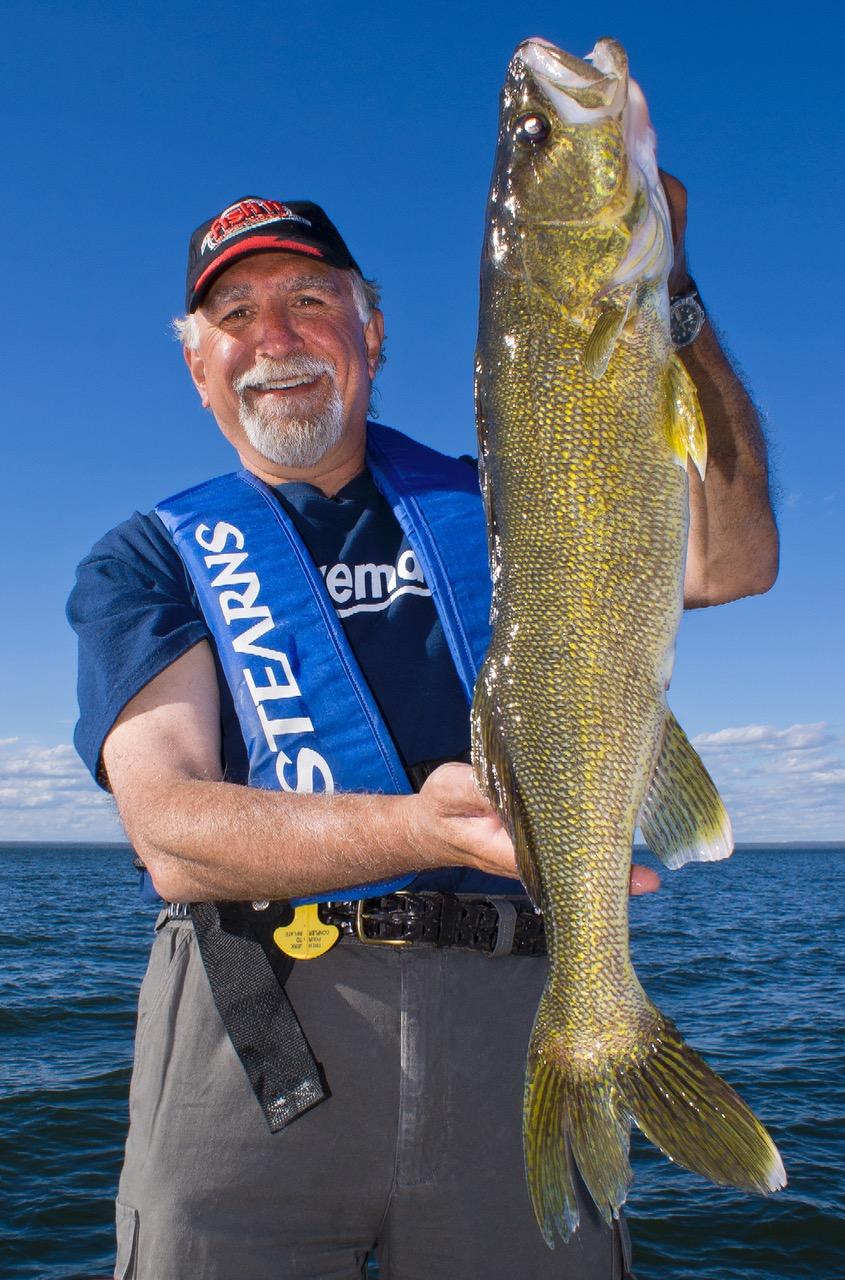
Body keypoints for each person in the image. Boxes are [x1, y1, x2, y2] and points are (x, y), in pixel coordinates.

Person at [68, 190, 778, 1280]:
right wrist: (419, 826)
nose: (276, 340)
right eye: (236, 316)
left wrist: (667, 294)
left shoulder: (519, 493)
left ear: (374, 330)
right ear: (197, 365)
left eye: (310, 300)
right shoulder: (149, 557)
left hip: (516, 1012)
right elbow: (170, 827)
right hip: (255, 1032)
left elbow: (732, 560)